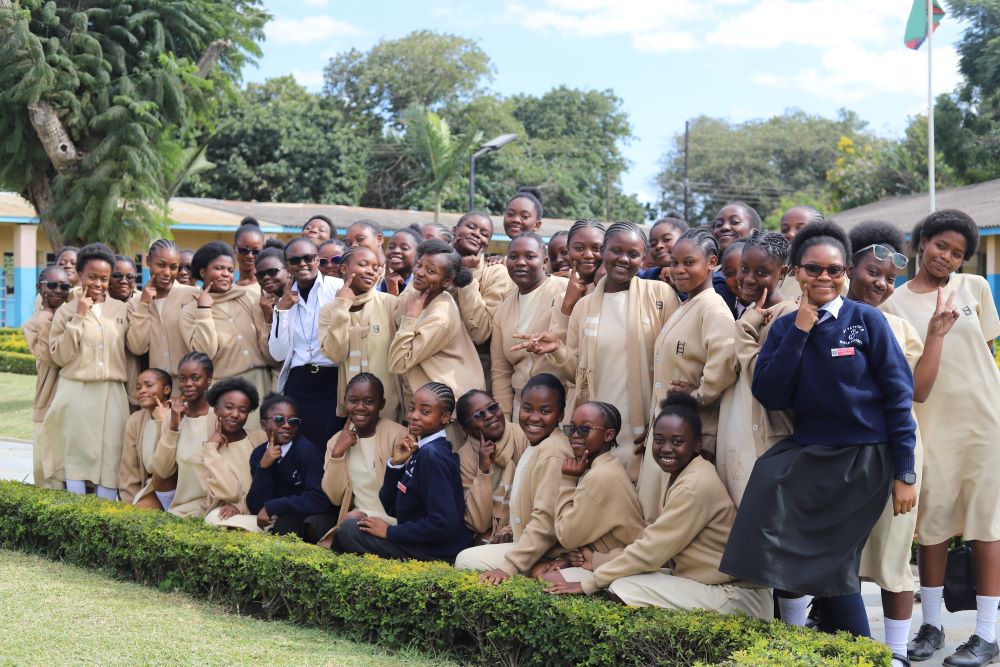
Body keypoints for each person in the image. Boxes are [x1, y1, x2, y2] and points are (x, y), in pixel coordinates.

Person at [720, 221, 917, 638]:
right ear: (796, 273)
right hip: (811, 451)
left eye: (834, 270)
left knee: (834, 566)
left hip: (863, 458)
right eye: (813, 269)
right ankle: (797, 638)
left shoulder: (867, 322)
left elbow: (900, 399)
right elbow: (771, 393)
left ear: (845, 272)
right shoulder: (786, 325)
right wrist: (801, 330)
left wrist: (905, 473)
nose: (824, 278)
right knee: (769, 493)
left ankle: (865, 655)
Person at [880, 210, 1000, 667]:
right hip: (929, 425)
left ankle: (986, 635)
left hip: (986, 425)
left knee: (988, 527)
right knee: (930, 529)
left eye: (957, 253)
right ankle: (931, 626)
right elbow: (906, 381)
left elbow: (985, 353)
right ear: (922, 242)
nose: (946, 258)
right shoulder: (892, 306)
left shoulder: (976, 290)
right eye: (940, 246)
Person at [545, 394, 772, 620]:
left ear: (697, 444)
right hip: (704, 583)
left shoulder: (693, 485)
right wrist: (597, 562)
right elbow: (655, 548)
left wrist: (587, 584)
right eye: (659, 439)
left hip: (737, 596)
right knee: (622, 581)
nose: (666, 449)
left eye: (677, 441)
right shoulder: (684, 473)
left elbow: (650, 552)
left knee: (622, 588)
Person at [845, 221, 958, 667]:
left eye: (890, 278)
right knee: (838, 555)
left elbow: (918, 392)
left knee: (893, 556)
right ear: (849, 266)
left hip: (894, 452)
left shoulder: (897, 327)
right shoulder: (816, 315)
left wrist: (934, 336)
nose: (881, 283)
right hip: (840, 454)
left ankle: (895, 654)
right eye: (873, 272)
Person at [518, 222, 680, 482]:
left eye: (633, 254)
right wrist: (558, 350)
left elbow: (674, 361)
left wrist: (660, 419)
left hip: (645, 424)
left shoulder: (660, 296)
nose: (624, 260)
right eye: (616, 250)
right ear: (604, 250)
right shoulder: (584, 307)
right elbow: (575, 375)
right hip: (599, 429)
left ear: (644, 258)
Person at [635, 228, 738, 520]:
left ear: (712, 263)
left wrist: (696, 395)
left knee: (673, 514)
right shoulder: (686, 303)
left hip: (691, 434)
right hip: (667, 427)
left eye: (688, 262)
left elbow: (724, 368)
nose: (679, 270)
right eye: (675, 262)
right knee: (655, 510)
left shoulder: (714, 310)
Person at [332, 382, 471, 562]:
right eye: (412, 408)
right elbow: (392, 507)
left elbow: (443, 523)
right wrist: (395, 464)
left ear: (445, 418)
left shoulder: (433, 456)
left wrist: (389, 532)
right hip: (414, 537)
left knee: (350, 531)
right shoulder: (421, 449)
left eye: (425, 412)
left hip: (433, 551)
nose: (413, 416)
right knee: (353, 521)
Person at [454, 374, 572, 581]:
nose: (534, 418)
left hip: (546, 546)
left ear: (561, 415)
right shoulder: (538, 443)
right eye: (527, 409)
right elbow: (478, 523)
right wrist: (484, 470)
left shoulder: (549, 450)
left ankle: (542, 565)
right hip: (524, 538)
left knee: (465, 560)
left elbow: (545, 522)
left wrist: (508, 567)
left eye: (545, 411)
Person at [715, 231, 796, 505]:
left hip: (762, 439)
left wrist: (746, 326)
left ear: (783, 272)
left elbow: (760, 378)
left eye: (762, 272)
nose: (749, 279)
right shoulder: (746, 310)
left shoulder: (788, 315)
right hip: (733, 427)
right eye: (744, 269)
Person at [44, 243, 130, 499]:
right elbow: (59, 355)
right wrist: (79, 317)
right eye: (91, 277)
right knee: (76, 453)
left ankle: (104, 517)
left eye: (104, 278)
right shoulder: (66, 311)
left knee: (111, 452)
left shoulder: (121, 309)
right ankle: (76, 510)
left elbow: (136, 344)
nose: (98, 283)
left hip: (113, 390)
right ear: (79, 275)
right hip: (77, 390)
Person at [542, 401, 645, 583]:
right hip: (611, 557)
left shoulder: (601, 476)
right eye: (571, 428)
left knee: (546, 576)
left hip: (625, 565)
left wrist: (568, 481)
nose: (574, 435)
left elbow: (566, 536)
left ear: (608, 435)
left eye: (584, 429)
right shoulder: (603, 466)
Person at [179, 241, 274, 431]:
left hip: (261, 382)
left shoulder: (247, 298)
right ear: (203, 272)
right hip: (226, 389)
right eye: (219, 268)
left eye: (230, 270)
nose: (226, 274)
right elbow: (205, 353)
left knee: (260, 442)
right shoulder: (191, 310)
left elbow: (266, 338)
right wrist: (204, 309)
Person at [388, 239, 485, 409]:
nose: (419, 273)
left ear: (447, 282)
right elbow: (396, 312)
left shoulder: (440, 318)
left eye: (430, 270)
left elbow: (398, 363)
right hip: (428, 400)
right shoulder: (422, 294)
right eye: (419, 265)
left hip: (445, 406)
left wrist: (410, 319)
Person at [268, 238, 345, 449]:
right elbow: (278, 353)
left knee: (326, 445)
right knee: (298, 447)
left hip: (332, 381)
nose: (302, 264)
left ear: (317, 260)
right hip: (299, 383)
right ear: (287, 266)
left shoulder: (337, 288)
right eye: (295, 260)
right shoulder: (285, 298)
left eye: (308, 258)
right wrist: (282, 311)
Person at [319, 245, 403, 424]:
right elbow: (336, 354)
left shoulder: (390, 303)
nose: (371, 271)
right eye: (363, 265)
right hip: (355, 409)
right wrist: (342, 307)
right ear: (343, 269)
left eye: (375, 268)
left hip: (389, 405)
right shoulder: (329, 311)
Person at [319, 373, 408, 537]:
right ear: (345, 402)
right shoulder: (335, 442)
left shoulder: (399, 436)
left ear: (381, 404)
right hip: (357, 521)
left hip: (392, 523)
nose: (360, 407)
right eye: (353, 401)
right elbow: (335, 497)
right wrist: (337, 454)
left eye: (369, 402)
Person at [490, 233, 568, 418]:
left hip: (562, 407)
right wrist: (506, 419)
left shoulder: (566, 290)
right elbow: (500, 370)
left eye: (530, 256)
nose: (520, 262)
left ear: (545, 260)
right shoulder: (504, 309)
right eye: (513, 257)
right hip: (521, 410)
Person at [246, 393, 336, 542]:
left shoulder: (306, 451)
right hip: (280, 517)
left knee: (288, 526)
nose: (287, 425)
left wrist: (273, 506)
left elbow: (319, 499)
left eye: (293, 421)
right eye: (279, 420)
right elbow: (255, 505)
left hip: (308, 516)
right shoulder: (259, 455)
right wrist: (264, 468)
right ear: (263, 424)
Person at [135, 351, 216, 515]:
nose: (188, 384)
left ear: (209, 379)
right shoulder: (174, 417)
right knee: (137, 516)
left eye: (195, 378)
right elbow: (162, 470)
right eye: (182, 378)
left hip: (209, 502)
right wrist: (172, 426)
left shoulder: (218, 418)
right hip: (177, 500)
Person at [455, 389, 530, 545]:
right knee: (478, 545)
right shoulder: (465, 457)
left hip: (526, 524)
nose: (489, 415)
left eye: (492, 408)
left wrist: (510, 529)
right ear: (466, 429)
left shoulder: (523, 436)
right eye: (478, 415)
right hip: (490, 530)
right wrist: (484, 470)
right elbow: (479, 523)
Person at [451, 211, 514, 385]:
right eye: (470, 227)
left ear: (486, 245)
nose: (476, 233)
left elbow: (480, 333)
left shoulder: (496, 273)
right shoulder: (433, 263)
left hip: (474, 377)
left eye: (484, 234)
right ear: (455, 229)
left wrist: (467, 274)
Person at [197, 376, 267, 529]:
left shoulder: (260, 438)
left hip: (260, 511)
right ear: (216, 409)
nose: (235, 414)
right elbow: (228, 493)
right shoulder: (205, 453)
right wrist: (211, 449)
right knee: (214, 520)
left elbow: (267, 483)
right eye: (229, 407)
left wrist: (241, 507)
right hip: (225, 515)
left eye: (243, 410)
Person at [23, 267, 71, 489]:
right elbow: (51, 358)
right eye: (51, 285)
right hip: (49, 394)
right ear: (39, 288)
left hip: (72, 395)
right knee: (46, 465)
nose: (58, 291)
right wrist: (48, 320)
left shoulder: (72, 313)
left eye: (64, 286)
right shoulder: (37, 322)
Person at [117, 368, 172, 503]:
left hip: (177, 486)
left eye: (149, 385)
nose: (142, 390)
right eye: (138, 387)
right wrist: (129, 503)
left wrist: (164, 423)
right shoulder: (135, 420)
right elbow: (129, 468)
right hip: (151, 488)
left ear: (166, 389)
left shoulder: (179, 414)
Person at [710, 202, 761, 315]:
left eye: (734, 222)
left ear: (754, 233)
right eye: (718, 224)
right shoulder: (706, 274)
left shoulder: (768, 276)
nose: (724, 227)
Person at [110, 254, 142, 412]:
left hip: (135, 385)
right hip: (107, 384)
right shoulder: (98, 303)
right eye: (117, 275)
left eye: (129, 276)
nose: (123, 280)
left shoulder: (142, 302)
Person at [640, 217, 688, 284]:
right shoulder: (649, 276)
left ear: (686, 240)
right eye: (653, 243)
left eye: (666, 239)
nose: (658, 246)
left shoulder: (694, 274)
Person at [381, 227, 420, 294]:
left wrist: (392, 293)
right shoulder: (382, 283)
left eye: (404, 248)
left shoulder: (419, 287)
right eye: (391, 247)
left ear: (418, 254)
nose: (396, 251)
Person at [233, 219, 265, 293]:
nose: (250, 256)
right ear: (235, 248)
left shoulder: (269, 289)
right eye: (244, 250)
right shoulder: (226, 290)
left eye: (256, 251)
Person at [720, 241, 747, 318]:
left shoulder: (769, 311)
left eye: (744, 270)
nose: (737, 278)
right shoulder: (724, 309)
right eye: (730, 273)